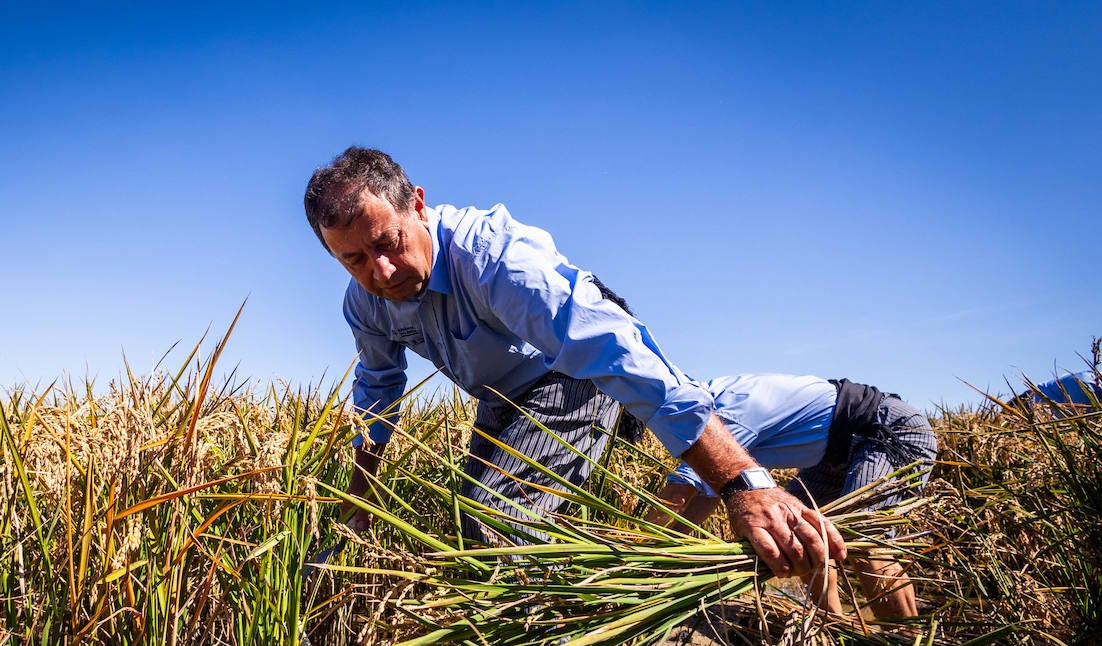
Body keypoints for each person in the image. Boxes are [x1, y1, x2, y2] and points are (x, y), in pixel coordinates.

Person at [303, 146, 846, 587]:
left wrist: (743, 485)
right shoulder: (365, 303)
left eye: (388, 242)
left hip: (572, 377)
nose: (382, 270)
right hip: (501, 398)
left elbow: (615, 349)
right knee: (472, 535)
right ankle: (544, 635)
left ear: (418, 206)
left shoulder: (496, 259)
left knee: (499, 521)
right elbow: (377, 398)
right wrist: (360, 505)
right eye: (354, 259)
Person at [647, 373, 937, 619]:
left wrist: (640, 554)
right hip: (832, 454)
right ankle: (834, 628)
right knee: (798, 534)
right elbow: (709, 490)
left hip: (887, 429)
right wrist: (668, 561)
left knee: (865, 543)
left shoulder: (723, 413)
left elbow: (679, 494)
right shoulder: (703, 402)